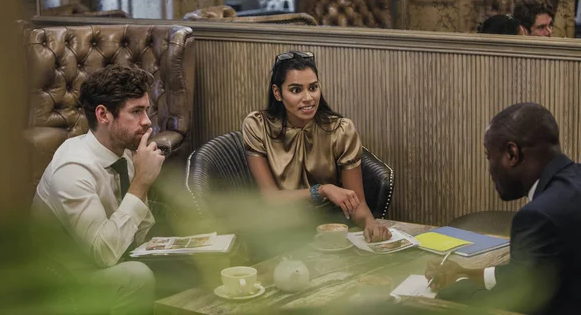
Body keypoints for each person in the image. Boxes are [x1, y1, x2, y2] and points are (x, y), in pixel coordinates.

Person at [32, 65, 165, 315]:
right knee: (137, 276)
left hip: (107, 259)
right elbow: (102, 254)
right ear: (103, 115)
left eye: (146, 110)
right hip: (63, 279)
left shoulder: (123, 153)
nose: (147, 122)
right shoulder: (73, 168)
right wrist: (141, 183)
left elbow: (139, 233)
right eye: (136, 112)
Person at [425, 102, 581, 314]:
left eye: (489, 156)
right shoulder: (574, 180)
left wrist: (450, 294)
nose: (489, 169)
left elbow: (514, 300)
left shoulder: (537, 217)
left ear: (511, 154)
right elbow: (527, 272)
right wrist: (464, 272)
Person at [242, 51, 391, 243]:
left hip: (330, 228)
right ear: (278, 93)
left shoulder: (341, 130)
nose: (308, 98)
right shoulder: (258, 126)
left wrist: (370, 223)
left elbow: (357, 201)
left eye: (313, 87)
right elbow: (270, 198)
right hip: (279, 230)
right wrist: (321, 190)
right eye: (296, 90)